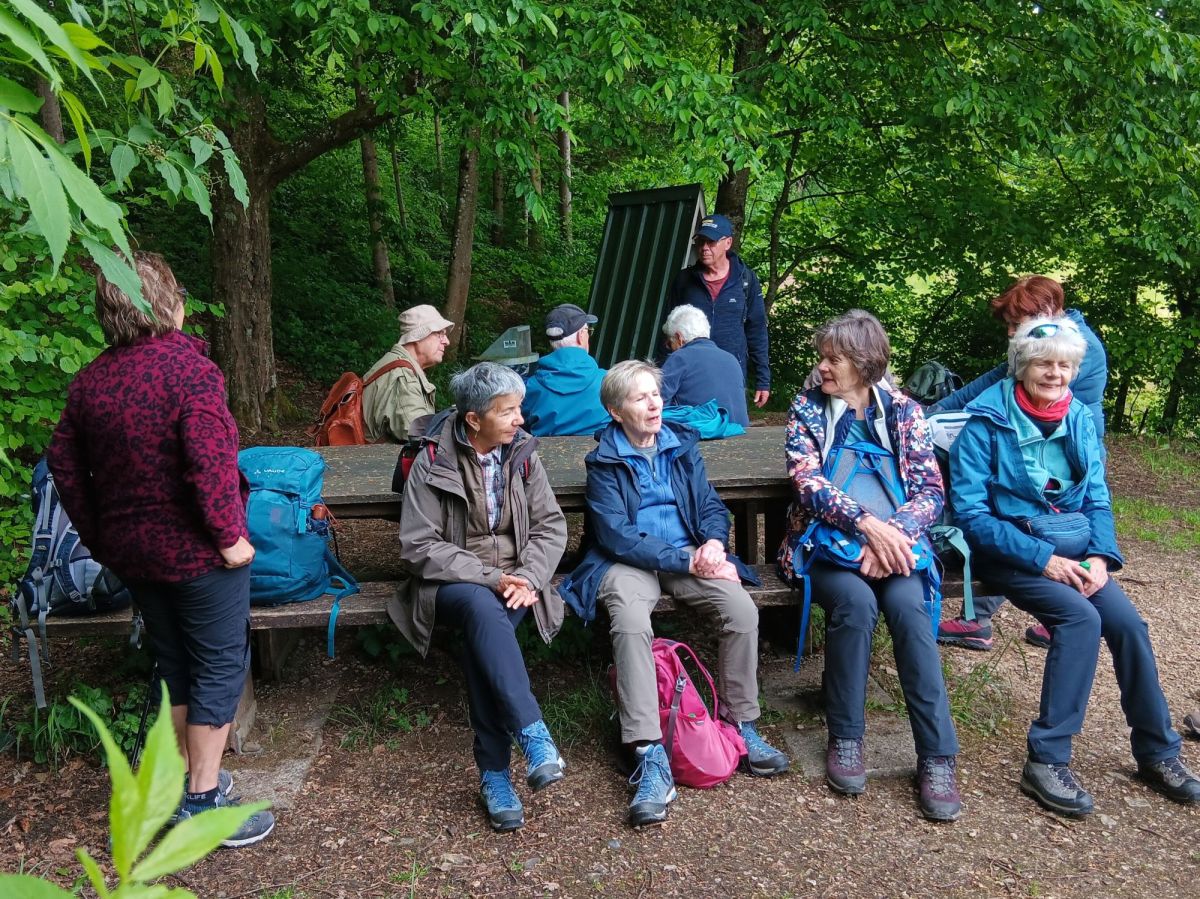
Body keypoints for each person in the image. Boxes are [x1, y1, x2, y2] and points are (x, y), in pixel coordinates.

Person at [46, 251, 273, 847]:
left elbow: (63, 465)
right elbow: (209, 462)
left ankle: (180, 789)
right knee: (219, 666)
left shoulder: (90, 381)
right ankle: (202, 800)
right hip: (198, 555)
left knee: (174, 663)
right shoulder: (189, 371)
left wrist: (100, 535)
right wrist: (228, 537)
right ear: (169, 304)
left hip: (135, 555)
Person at [950, 315, 1200, 816]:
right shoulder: (984, 422)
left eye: (1064, 365)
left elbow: (1098, 499)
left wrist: (1101, 557)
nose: (1054, 373)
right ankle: (1046, 760)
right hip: (1009, 552)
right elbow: (971, 517)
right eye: (1043, 363)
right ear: (1021, 366)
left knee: (1128, 625)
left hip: (1076, 550)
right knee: (1080, 618)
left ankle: (1157, 751)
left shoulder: (1080, 417)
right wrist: (1044, 560)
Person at [561, 360, 789, 828]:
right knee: (630, 622)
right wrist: (687, 561)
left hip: (689, 553)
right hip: (627, 562)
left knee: (740, 610)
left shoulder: (680, 446)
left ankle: (740, 724)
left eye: (656, 395)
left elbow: (709, 505)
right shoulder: (604, 461)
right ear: (616, 411)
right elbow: (616, 536)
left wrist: (714, 544)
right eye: (640, 398)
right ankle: (649, 752)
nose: (654, 405)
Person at [778, 310, 962, 822]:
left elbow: (930, 492)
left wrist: (890, 536)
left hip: (895, 548)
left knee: (909, 610)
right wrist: (866, 529)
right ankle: (846, 736)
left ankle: (937, 756)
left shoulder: (904, 412)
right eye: (823, 357)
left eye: (833, 359)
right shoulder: (807, 408)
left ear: (864, 364)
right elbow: (807, 483)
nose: (822, 367)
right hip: (824, 546)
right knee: (855, 604)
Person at [388, 362, 569, 833]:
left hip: (516, 582)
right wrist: (493, 577)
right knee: (481, 607)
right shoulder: (434, 459)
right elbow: (419, 545)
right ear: (473, 419)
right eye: (507, 412)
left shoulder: (522, 453)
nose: (520, 420)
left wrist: (527, 578)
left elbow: (550, 527)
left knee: (483, 640)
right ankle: (532, 732)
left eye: (518, 409)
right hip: (451, 582)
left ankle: (495, 774)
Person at [935, 276, 1109, 652]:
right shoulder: (1043, 339)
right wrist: (930, 412)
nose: (1011, 333)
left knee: (1045, 529)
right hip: (1042, 455)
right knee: (1021, 528)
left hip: (1068, 458)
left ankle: (1060, 615)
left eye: (1016, 324)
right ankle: (989, 620)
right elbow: (990, 383)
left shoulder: (1073, 347)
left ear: (1046, 314)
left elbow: (1028, 400)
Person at [667, 214, 771, 408]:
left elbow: (757, 330)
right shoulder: (684, 280)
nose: (704, 248)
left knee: (732, 422)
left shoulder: (746, 280)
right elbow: (669, 330)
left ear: (727, 243)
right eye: (700, 242)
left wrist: (763, 379)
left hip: (732, 373)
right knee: (691, 422)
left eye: (711, 242)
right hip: (691, 374)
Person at [362, 304, 454, 442]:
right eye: (439, 334)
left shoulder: (396, 364)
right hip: (374, 456)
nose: (446, 341)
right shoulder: (403, 375)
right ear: (418, 336)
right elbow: (419, 434)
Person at [521, 303, 610, 436]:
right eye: (588, 331)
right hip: (601, 449)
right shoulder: (609, 382)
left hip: (545, 450)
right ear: (581, 336)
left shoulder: (529, 388)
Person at [660, 304, 750, 427]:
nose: (669, 348)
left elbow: (657, 403)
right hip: (741, 433)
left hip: (705, 435)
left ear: (678, 337)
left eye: (670, 343)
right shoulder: (732, 359)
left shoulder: (680, 357)